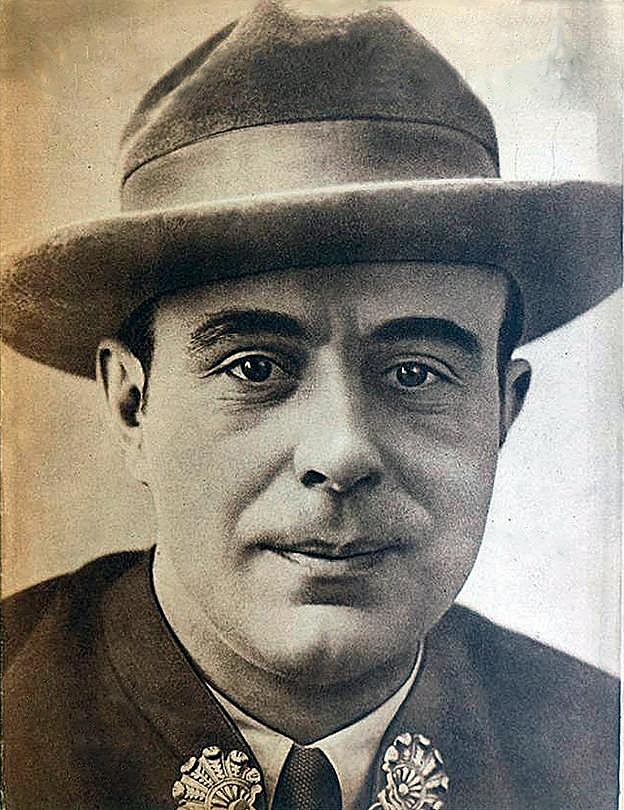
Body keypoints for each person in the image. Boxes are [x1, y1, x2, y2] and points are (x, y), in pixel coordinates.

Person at [2, 2, 620, 809]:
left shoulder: (600, 754)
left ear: (504, 412)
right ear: (132, 405)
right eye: (255, 367)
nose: (341, 452)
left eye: (416, 374)